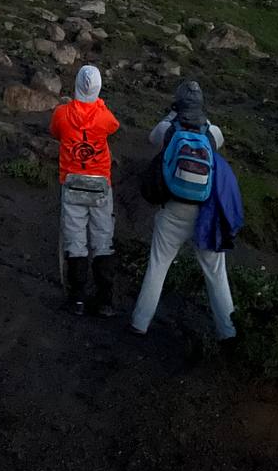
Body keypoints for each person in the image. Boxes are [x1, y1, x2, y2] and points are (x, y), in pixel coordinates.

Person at [130, 80, 237, 342]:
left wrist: (171, 115)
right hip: (206, 213)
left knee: (158, 265)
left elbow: (152, 137)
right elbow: (216, 145)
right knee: (215, 272)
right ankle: (229, 331)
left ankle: (140, 323)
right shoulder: (213, 133)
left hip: (173, 209)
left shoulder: (168, 129)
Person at [49, 65, 121, 316]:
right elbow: (114, 126)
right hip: (100, 183)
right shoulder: (104, 117)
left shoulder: (62, 113)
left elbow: (55, 132)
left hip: (72, 181)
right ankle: (105, 300)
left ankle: (77, 298)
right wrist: (98, 105)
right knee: (103, 239)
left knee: (75, 240)